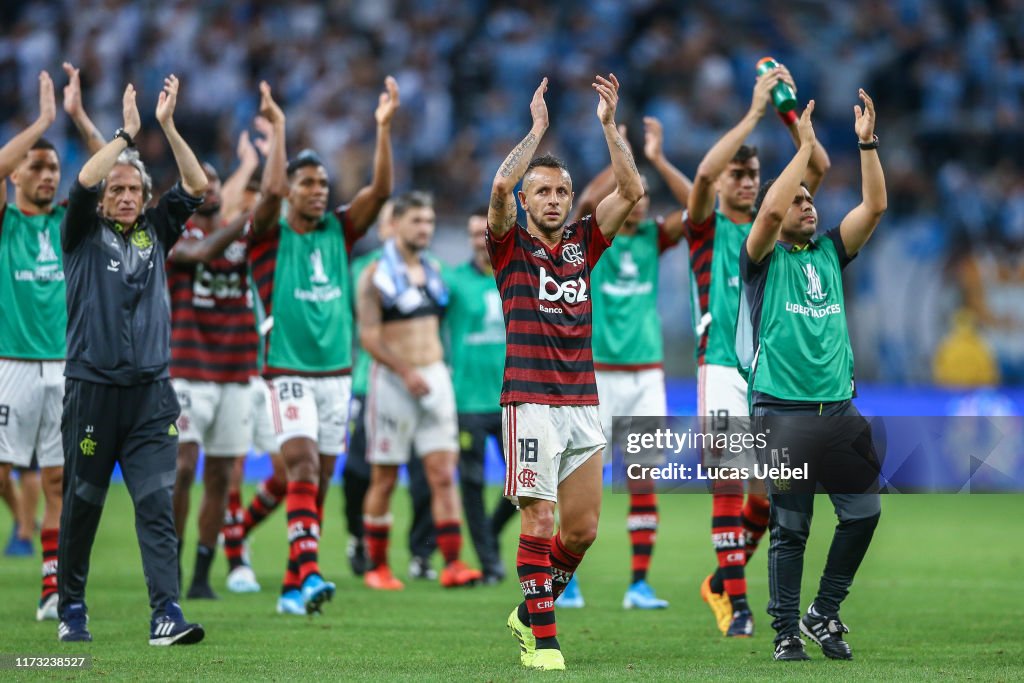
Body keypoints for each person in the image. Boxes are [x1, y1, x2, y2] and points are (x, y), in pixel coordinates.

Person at [489, 75, 644, 671]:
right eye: (544, 192)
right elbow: (501, 183)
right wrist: (536, 132)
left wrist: (608, 126)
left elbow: (631, 189)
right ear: (527, 203)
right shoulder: (507, 247)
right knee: (541, 516)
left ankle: (528, 608)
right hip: (528, 399)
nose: (554, 199)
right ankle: (543, 641)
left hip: (582, 399)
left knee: (580, 532)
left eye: (561, 190)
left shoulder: (585, 240)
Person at [57, 75, 208, 645]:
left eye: (133, 190)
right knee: (84, 504)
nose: (123, 196)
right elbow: (83, 178)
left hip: (151, 395)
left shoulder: (155, 230)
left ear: (145, 198)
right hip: (92, 391)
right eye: (115, 190)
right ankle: (71, 604)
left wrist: (166, 127)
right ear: (101, 200)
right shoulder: (79, 232)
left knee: (157, 505)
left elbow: (195, 184)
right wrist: (124, 135)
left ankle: (165, 612)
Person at [738, 92, 885, 661]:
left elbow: (874, 207)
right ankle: (783, 633)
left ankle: (823, 610)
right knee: (791, 528)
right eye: (798, 200)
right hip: (783, 411)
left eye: (811, 200)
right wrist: (803, 146)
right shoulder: (761, 259)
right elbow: (770, 212)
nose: (808, 206)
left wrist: (866, 144)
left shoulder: (829, 252)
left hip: (840, 410)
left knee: (864, 515)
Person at [688, 65, 830, 637]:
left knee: (778, 494)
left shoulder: (775, 227)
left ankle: (722, 578)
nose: (747, 183)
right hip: (722, 364)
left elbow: (816, 165)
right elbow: (700, 174)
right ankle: (739, 606)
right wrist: (752, 109)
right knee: (728, 478)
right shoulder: (706, 228)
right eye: (737, 175)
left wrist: (788, 109)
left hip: (772, 371)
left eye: (753, 175)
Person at [248, 77, 398, 614]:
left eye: (323, 183)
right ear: (290, 189)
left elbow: (379, 193)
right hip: (287, 369)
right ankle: (310, 573)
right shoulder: (268, 236)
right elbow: (265, 195)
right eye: (308, 183)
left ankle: (292, 586)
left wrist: (383, 128)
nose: (320, 190)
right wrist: (281, 127)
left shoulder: (340, 230)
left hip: (337, 373)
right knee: (303, 467)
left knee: (321, 478)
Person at [559, 116, 691, 611]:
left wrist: (655, 159)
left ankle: (639, 584)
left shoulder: (654, 238)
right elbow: (587, 200)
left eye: (643, 195)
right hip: (598, 375)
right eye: (630, 192)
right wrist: (619, 157)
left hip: (645, 376)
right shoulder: (594, 239)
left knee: (642, 477)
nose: (638, 200)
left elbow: (699, 208)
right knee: (577, 475)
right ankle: (567, 580)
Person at [0, 65, 104, 620]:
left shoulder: (72, 224)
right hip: (9, 363)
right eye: (35, 166)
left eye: (53, 168)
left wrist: (79, 121)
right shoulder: (6, 224)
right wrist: (41, 120)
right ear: (15, 176)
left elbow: (112, 174)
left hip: (64, 366)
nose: (47, 175)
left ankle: (51, 587)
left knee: (58, 477)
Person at [357, 191, 483, 590]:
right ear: (395, 224)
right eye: (416, 221)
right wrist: (405, 370)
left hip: (435, 379)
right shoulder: (375, 275)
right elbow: (370, 338)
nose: (425, 229)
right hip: (394, 382)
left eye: (429, 222)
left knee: (444, 474)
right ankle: (376, 565)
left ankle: (453, 563)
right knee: (386, 477)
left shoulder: (435, 272)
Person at [168, 158, 259, 600]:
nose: (211, 188)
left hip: (236, 370)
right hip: (186, 370)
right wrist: (245, 217)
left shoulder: (246, 237)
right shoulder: (172, 232)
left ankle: (202, 574)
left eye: (216, 181)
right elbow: (201, 254)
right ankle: (170, 565)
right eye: (201, 182)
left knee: (223, 475)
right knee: (182, 469)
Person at [442, 207, 510, 584]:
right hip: (466, 400)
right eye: (470, 233)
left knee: (522, 483)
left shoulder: (516, 275)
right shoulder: (451, 283)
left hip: (510, 398)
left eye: (481, 231)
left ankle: (487, 531)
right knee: (470, 483)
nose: (477, 239)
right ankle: (490, 563)